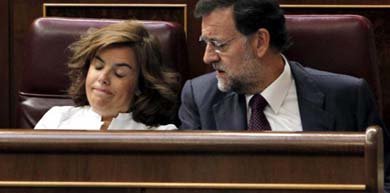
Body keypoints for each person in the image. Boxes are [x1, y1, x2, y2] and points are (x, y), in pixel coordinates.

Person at [178, 0, 389, 191]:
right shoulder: (199, 98)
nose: (207, 57)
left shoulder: (347, 97)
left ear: (260, 42)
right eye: (205, 43)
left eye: (218, 44)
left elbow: (384, 181)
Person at [35, 20, 180, 130]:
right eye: (98, 67)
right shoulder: (56, 120)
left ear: (141, 85)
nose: (103, 78)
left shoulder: (162, 135)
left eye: (119, 73)